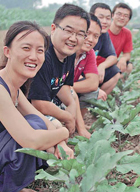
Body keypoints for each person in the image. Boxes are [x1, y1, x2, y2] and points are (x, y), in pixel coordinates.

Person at [0, 21, 73, 192]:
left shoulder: (14, 88)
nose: (34, 56)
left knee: (44, 125)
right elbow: (30, 140)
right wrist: (64, 133)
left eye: (40, 50)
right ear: (7, 52)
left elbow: (46, 121)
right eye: (26, 48)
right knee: (35, 131)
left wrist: (61, 142)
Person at [28, 4, 91, 138]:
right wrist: (67, 117)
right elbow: (39, 104)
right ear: (53, 28)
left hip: (47, 100)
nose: (73, 38)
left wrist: (71, 106)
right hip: (26, 109)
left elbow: (65, 86)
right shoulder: (43, 55)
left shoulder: (69, 54)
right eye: (68, 31)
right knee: (56, 128)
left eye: (80, 34)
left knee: (73, 96)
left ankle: (80, 128)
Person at [73, 14, 106, 135]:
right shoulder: (67, 50)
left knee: (93, 92)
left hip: (66, 87)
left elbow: (93, 83)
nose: (91, 40)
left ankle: (77, 122)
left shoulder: (89, 53)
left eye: (96, 36)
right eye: (87, 34)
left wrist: (68, 87)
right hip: (50, 92)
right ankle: (75, 125)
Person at [90, 3, 121, 95]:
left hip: (88, 72)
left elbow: (113, 56)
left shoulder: (103, 34)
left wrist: (102, 66)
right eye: (101, 17)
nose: (104, 21)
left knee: (114, 72)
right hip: (72, 74)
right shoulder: (82, 33)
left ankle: (96, 104)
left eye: (108, 18)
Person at [97, 3, 133, 76]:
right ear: (112, 15)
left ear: (128, 20)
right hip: (95, 64)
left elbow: (127, 53)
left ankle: (120, 84)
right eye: (119, 14)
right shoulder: (104, 30)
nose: (122, 18)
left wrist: (123, 59)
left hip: (110, 63)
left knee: (129, 66)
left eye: (125, 16)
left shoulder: (127, 33)